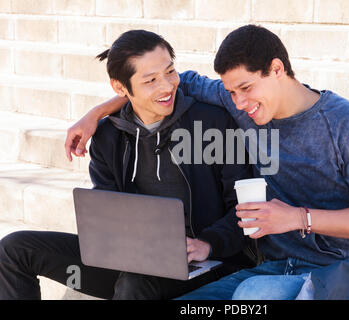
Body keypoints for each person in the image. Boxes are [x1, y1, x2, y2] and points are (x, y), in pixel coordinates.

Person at [64, 25, 349, 300]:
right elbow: (160, 85)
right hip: (270, 267)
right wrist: (95, 115)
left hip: (335, 269)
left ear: (276, 69)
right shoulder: (239, 103)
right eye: (231, 92)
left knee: (252, 295)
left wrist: (296, 217)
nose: (240, 103)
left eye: (245, 88)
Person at [0, 30, 256, 300]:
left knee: (134, 283)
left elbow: (244, 208)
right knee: (14, 249)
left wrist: (208, 243)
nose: (167, 86)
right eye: (150, 80)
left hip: (204, 262)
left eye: (170, 71)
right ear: (120, 88)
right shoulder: (106, 137)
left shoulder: (213, 123)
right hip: (131, 258)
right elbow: (107, 211)